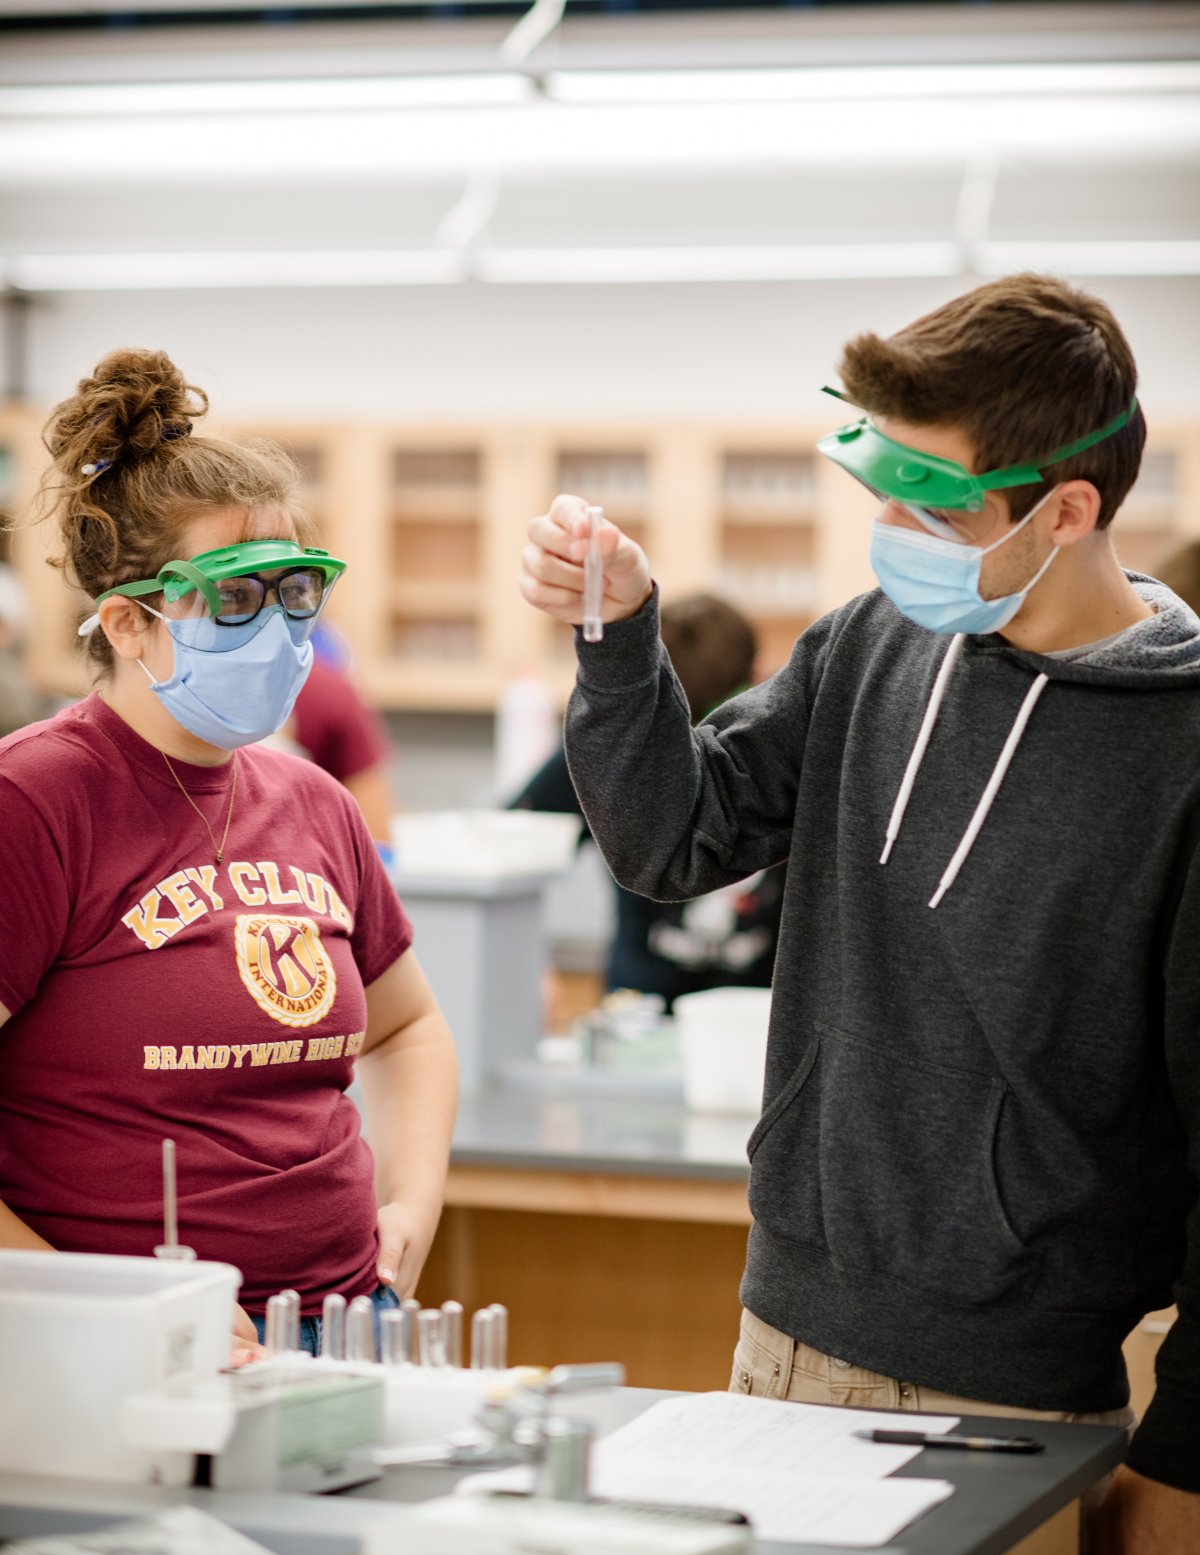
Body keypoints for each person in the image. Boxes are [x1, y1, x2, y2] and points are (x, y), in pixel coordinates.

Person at [520, 275, 1200, 1554]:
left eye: (932, 503)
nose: (889, 526)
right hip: (776, 1336)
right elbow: (678, 837)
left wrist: (1183, 1464)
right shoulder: (874, 641)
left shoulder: (1181, 753)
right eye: (884, 485)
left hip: (1009, 1393)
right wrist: (619, 639)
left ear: (1068, 509)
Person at [0, 349, 459, 1361]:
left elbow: (409, 1026)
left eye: (296, 592)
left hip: (345, 1322)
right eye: (237, 600)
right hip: (115, 1356)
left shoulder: (313, 802)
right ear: (128, 621)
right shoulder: (33, 803)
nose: (283, 630)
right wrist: (112, 1318)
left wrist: (411, 1201)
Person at [510, 593, 784, 1010]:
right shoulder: (615, 757)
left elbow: (503, 845)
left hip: (723, 1019)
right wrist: (528, 965)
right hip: (670, 1020)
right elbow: (506, 848)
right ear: (757, 675)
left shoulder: (613, 755)